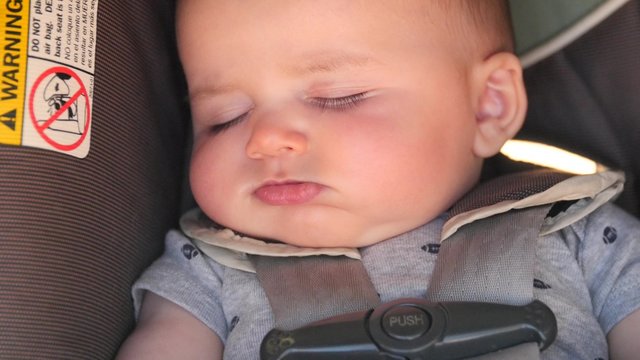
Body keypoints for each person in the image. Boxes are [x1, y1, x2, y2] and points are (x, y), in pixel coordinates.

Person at [116, 1, 640, 359]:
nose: (264, 140)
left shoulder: (587, 235)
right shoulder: (207, 267)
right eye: (223, 117)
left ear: (487, 106)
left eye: (336, 97)